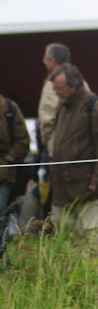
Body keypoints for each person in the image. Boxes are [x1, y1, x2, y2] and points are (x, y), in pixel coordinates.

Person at [49, 64, 98, 246]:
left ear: (74, 86)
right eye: (54, 88)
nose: (56, 92)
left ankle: (96, 272)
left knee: (90, 230)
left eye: (59, 88)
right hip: (62, 184)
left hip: (88, 184)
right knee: (63, 227)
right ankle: (75, 269)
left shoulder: (95, 107)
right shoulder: (62, 107)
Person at [37, 43, 90, 161]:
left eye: (46, 59)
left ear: (53, 60)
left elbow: (47, 119)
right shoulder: (81, 81)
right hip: (82, 145)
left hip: (59, 147)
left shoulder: (52, 84)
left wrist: (49, 141)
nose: (45, 63)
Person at [0, 95, 30, 269]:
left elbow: (23, 141)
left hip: (2, 176)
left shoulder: (9, 109)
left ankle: (5, 266)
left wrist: (6, 162)